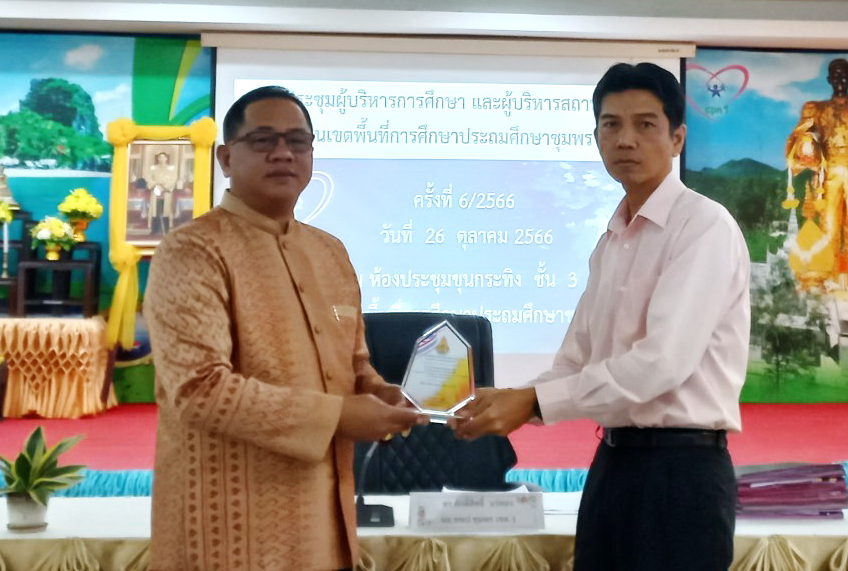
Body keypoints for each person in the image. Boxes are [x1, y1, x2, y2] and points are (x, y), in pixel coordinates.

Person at [454, 62, 750, 571]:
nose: (625, 139)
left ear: (677, 139)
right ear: (596, 138)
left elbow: (662, 363)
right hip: (613, 462)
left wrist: (532, 403)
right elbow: (575, 360)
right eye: (611, 125)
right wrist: (508, 400)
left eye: (645, 124)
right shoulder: (611, 240)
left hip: (682, 473)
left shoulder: (704, 226)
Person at [147, 86, 423, 571]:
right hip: (229, 530)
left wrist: (380, 394)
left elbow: (353, 363)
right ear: (226, 158)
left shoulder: (330, 252)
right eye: (263, 140)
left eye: (298, 141)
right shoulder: (193, 250)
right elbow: (198, 389)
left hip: (325, 519)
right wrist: (339, 417)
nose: (283, 153)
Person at [784, 58, 848, 289]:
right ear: (829, 79)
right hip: (827, 172)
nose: (840, 79)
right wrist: (805, 151)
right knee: (828, 227)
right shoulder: (817, 110)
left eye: (844, 75)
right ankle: (827, 280)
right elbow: (800, 136)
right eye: (836, 75)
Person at [143, 149, 179, 234]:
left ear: (166, 158)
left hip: (166, 192)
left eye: (163, 157)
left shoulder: (171, 169)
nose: (161, 159)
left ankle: (166, 230)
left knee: (166, 211)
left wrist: (164, 187)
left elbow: (173, 179)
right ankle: (154, 230)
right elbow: (149, 178)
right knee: (155, 211)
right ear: (158, 158)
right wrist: (156, 185)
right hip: (156, 191)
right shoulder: (153, 168)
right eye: (160, 157)